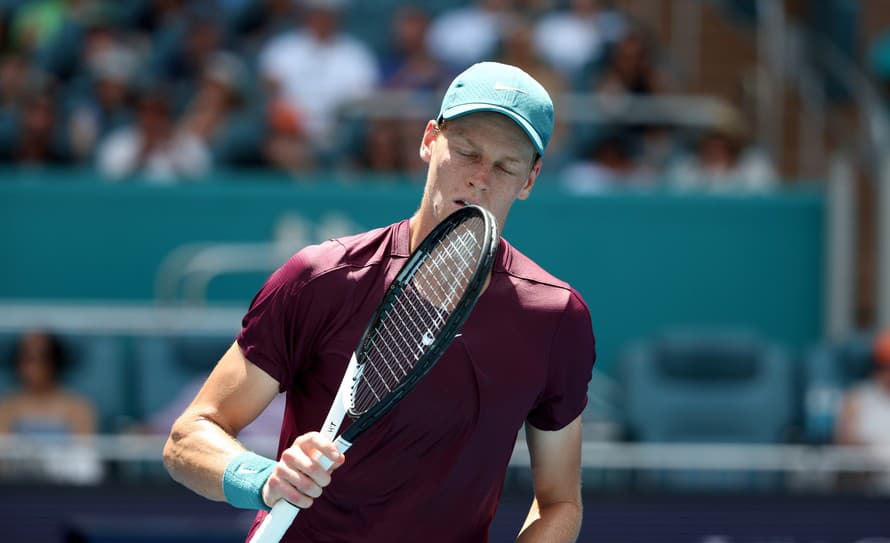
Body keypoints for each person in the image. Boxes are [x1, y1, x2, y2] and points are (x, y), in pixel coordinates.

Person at [164, 62, 596, 542]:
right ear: (430, 140)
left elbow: (558, 500)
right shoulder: (322, 278)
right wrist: (263, 479)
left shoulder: (557, 318)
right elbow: (190, 435)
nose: (479, 178)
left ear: (531, 179)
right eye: (467, 151)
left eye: (505, 166)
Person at [834, 329, 890, 491]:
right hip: (867, 485)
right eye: (884, 367)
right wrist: (874, 453)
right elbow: (844, 440)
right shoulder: (857, 398)